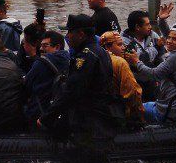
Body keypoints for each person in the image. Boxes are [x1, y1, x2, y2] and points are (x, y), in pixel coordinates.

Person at [39, 14, 123, 143]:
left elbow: (71, 91)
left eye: (70, 32)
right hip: (100, 122)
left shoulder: (85, 57)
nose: (67, 37)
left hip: (88, 126)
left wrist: (47, 117)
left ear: (81, 34)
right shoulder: (100, 52)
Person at [133, 22, 176, 124]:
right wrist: (161, 20)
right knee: (148, 103)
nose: (169, 41)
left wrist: (136, 62)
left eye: (174, 39)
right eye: (168, 37)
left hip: (172, 110)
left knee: (135, 108)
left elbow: (154, 74)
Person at [122, 6, 171, 101]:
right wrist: (156, 47)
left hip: (154, 81)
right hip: (135, 84)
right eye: (147, 25)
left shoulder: (152, 35)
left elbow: (167, 41)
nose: (150, 27)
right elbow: (140, 59)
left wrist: (162, 21)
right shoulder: (124, 41)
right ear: (137, 27)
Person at [24, 30, 71, 123]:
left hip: (39, 112)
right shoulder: (70, 60)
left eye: (45, 45)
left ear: (57, 47)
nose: (41, 48)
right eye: (41, 45)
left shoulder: (41, 62)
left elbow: (26, 84)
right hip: (61, 112)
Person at [99, 31, 144, 126]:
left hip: (102, 112)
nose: (123, 48)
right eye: (119, 45)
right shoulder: (120, 62)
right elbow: (133, 93)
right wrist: (140, 116)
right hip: (121, 113)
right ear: (108, 47)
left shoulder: (97, 58)